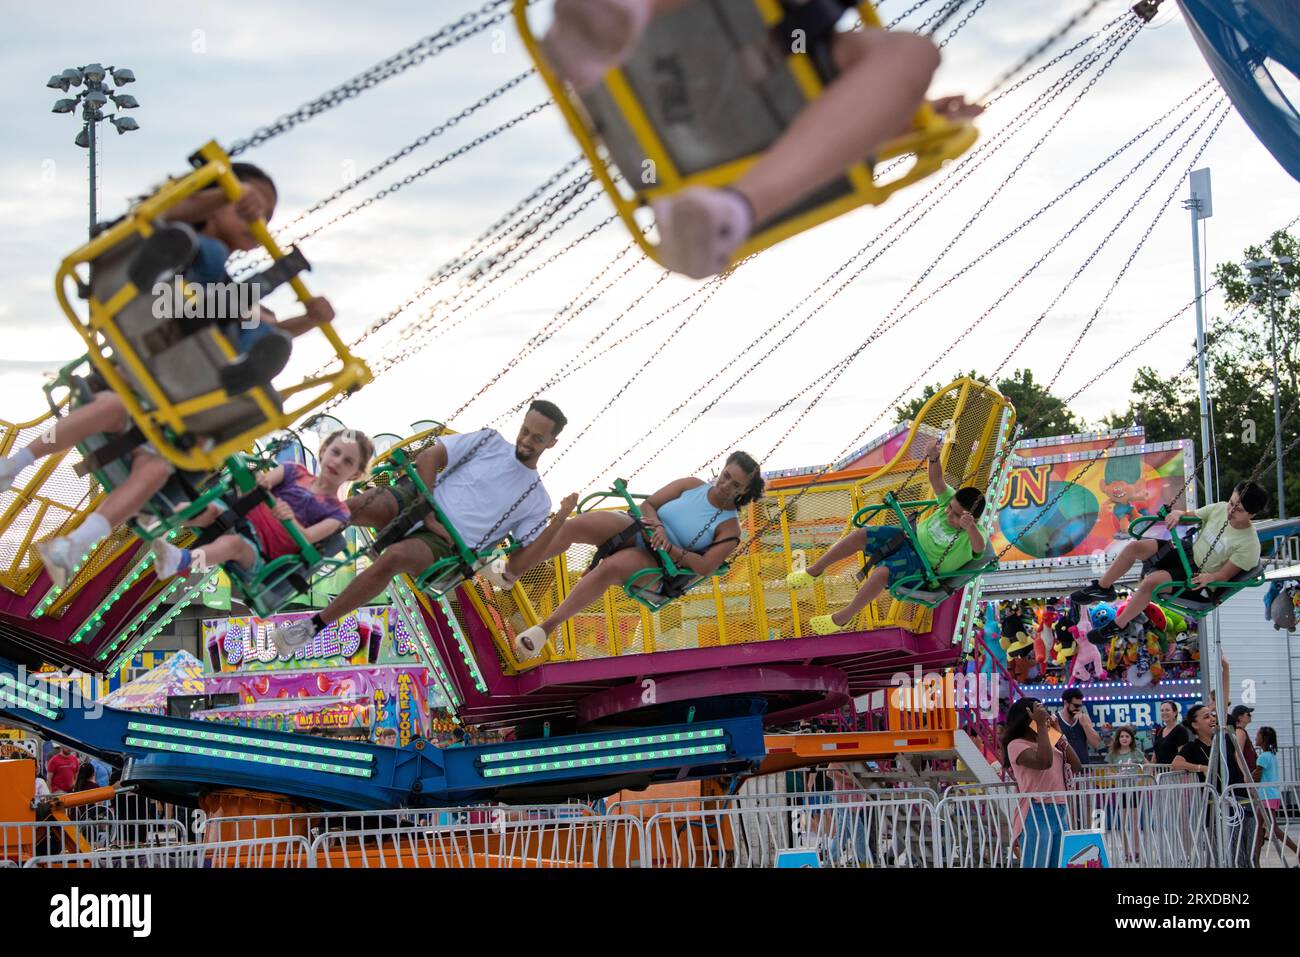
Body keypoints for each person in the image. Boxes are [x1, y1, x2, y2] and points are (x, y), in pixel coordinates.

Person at [0, 164, 339, 588]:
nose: (257, 219)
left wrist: (306, 320)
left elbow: (241, 311)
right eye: (250, 206)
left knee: (158, 467)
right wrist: (220, 196)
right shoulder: (181, 228)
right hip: (160, 311)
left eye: (265, 217)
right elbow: (168, 215)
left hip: (177, 386)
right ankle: (13, 465)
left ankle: (72, 546)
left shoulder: (227, 285)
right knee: (113, 402)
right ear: (214, 200)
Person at [541, 0, 983, 279]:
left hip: (755, 104)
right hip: (692, 65)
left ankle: (724, 215)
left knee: (912, 54)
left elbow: (852, 123)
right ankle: (736, 209)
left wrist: (908, 113)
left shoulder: (822, 41)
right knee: (911, 54)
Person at [269, 401, 575, 652]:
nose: (526, 440)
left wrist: (558, 521)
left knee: (394, 558)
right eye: (525, 430)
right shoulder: (489, 441)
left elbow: (518, 565)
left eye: (537, 438)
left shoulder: (537, 499)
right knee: (349, 508)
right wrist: (427, 506)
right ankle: (278, 557)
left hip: (447, 543)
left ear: (552, 442)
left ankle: (312, 627)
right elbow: (430, 457)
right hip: (421, 499)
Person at [510, 450, 765, 658]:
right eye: (726, 475)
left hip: (658, 567)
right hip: (641, 531)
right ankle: (515, 568)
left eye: (736, 484)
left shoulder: (730, 528)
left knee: (609, 568)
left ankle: (545, 628)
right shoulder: (691, 485)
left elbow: (705, 566)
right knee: (578, 525)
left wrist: (669, 547)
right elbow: (649, 505)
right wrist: (658, 529)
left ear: (743, 492)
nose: (726, 485)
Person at [786, 437, 986, 634]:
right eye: (950, 508)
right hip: (907, 538)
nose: (948, 513)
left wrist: (969, 528)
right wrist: (933, 457)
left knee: (882, 573)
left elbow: (979, 548)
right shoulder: (948, 504)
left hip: (921, 565)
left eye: (956, 515)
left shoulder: (974, 534)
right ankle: (814, 571)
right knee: (861, 534)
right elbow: (936, 480)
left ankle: (843, 618)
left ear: (971, 519)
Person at [150, 429, 373, 580]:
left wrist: (289, 518)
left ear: (356, 473)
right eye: (335, 452)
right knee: (207, 507)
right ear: (324, 451)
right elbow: (263, 482)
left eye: (348, 461)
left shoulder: (338, 511)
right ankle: (160, 518)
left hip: (263, 554)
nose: (337, 462)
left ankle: (182, 560)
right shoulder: (292, 470)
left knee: (233, 544)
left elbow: (308, 537)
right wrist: (258, 481)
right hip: (242, 516)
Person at [1072, 482, 1268, 643]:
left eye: (1239, 509)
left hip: (1199, 578)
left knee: (1151, 582)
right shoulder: (1219, 509)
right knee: (1135, 548)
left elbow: (1224, 576)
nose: (1231, 510)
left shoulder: (1248, 545)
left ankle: (1119, 625)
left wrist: (1210, 577)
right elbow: (1190, 516)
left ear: (1252, 514)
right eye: (1231, 503)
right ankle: (1103, 587)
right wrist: (1177, 514)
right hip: (1188, 554)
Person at [1172, 703, 1254, 867]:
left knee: (1247, 855)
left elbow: (1223, 705)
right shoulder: (1193, 747)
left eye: (1212, 715)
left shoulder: (1223, 739)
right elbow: (1176, 764)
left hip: (1241, 802)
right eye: (1206, 716)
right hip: (1215, 809)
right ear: (1195, 725)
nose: (1212, 719)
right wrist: (1201, 768)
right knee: (1223, 855)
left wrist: (1225, 677)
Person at [1003, 697, 1082, 867]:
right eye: (1039, 711)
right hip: (1036, 810)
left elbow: (1076, 765)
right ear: (1027, 718)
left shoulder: (1049, 741)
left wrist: (1059, 735)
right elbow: (1044, 762)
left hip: (1059, 809)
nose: (1045, 714)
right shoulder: (1016, 745)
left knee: (1057, 863)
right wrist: (1041, 727)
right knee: (1036, 864)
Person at [1252, 726, 1300, 866]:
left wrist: (1247, 777)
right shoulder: (1271, 756)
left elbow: (1257, 777)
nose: (1255, 738)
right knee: (1260, 829)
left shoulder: (1263, 757)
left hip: (1266, 797)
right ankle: (1256, 862)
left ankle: (1297, 851)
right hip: (1270, 796)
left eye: (1258, 735)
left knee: (1273, 829)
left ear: (1264, 738)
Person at [1056, 688, 1101, 765]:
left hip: (1084, 769)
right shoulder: (1055, 720)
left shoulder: (1084, 718)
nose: (1079, 709)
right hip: (1062, 769)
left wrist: (1085, 725)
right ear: (1066, 703)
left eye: (1080, 706)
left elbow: (1096, 744)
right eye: (1076, 705)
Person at [1150, 700, 1190, 764]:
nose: (1164, 712)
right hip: (1159, 771)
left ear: (1175, 713)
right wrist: (1151, 769)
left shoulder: (1180, 731)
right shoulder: (1160, 731)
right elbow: (1155, 754)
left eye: (1167, 710)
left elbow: (1182, 755)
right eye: (1162, 710)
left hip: (1174, 772)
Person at [1228, 704, 1258, 778]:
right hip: (1245, 773)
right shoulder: (1240, 732)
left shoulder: (1240, 731)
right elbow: (1238, 754)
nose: (1250, 716)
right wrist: (1245, 774)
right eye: (1248, 714)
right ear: (1240, 717)